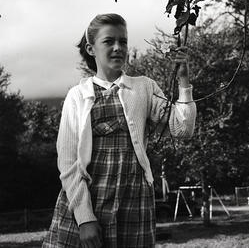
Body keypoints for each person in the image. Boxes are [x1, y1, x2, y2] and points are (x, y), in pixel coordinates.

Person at [42, 13, 196, 248]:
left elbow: (182, 129)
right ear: (91, 48)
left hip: (133, 204)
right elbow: (68, 163)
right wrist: (85, 219)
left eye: (123, 41)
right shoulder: (77, 96)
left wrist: (183, 80)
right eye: (108, 41)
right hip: (87, 202)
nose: (118, 47)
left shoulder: (144, 87)